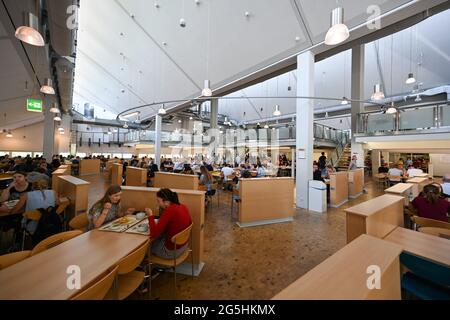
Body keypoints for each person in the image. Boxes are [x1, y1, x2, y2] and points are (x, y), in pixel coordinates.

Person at [144, 189, 192, 259]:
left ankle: (147, 266)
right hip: (184, 245)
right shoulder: (183, 206)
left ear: (166, 202)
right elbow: (189, 222)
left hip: (171, 252)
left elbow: (153, 234)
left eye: (158, 201)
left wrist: (150, 215)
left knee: (145, 247)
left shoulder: (169, 211)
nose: (158, 204)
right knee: (158, 238)